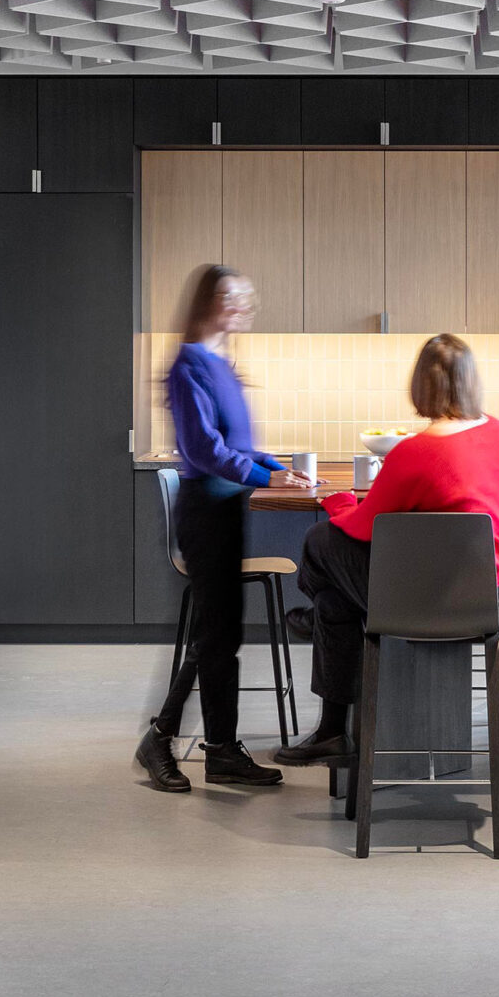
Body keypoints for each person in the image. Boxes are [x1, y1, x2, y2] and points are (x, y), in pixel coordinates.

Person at [273, 333, 499, 766]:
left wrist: (339, 503)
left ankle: (320, 650)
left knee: (319, 541)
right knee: (336, 601)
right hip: (485, 593)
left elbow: (364, 527)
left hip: (422, 600)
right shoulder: (498, 434)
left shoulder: (415, 452)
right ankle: (332, 729)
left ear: (422, 385)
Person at [135, 265, 317, 793]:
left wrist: (278, 466)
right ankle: (162, 738)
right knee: (216, 635)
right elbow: (205, 451)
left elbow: (237, 443)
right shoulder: (188, 365)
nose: (242, 306)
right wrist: (267, 475)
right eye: (231, 297)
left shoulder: (220, 364)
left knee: (223, 635)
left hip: (227, 509)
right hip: (205, 513)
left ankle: (219, 750)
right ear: (207, 303)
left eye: (246, 297)